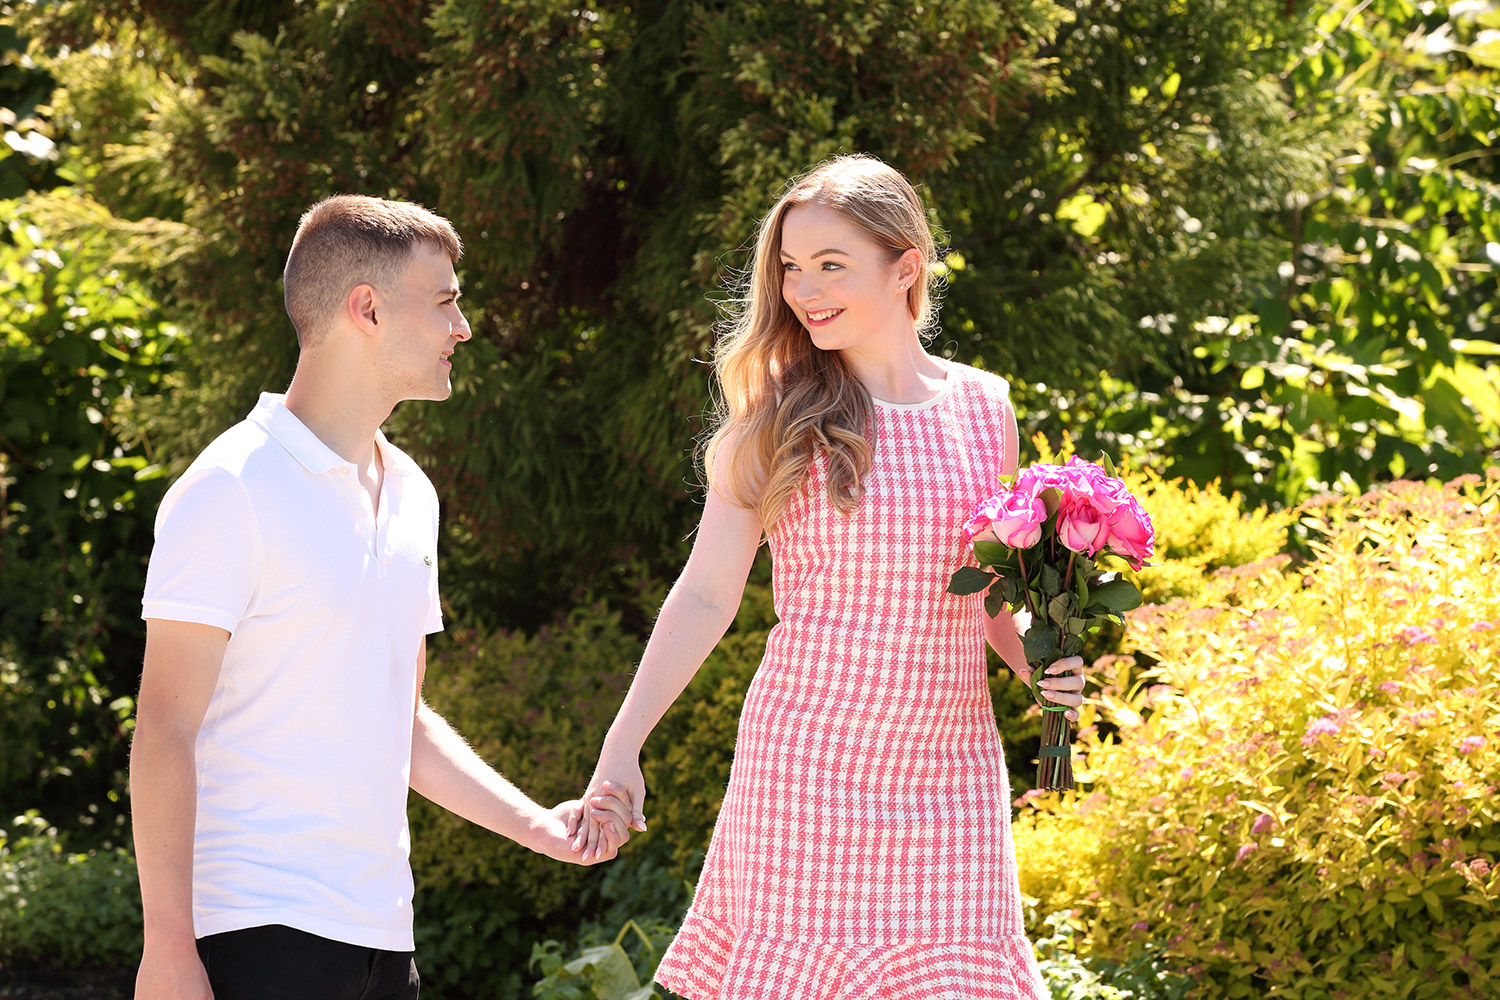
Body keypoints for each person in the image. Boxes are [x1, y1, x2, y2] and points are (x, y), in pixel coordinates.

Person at [575, 155, 1087, 998]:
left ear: (906, 267)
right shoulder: (775, 417)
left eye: (830, 265)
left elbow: (988, 589)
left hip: (949, 783)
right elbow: (705, 594)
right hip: (807, 778)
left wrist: (1045, 666)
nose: (803, 289)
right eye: (789, 268)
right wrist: (621, 748)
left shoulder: (984, 407)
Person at [131, 195, 633, 1000]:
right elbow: (164, 727)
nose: (462, 328)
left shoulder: (411, 493)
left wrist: (539, 826)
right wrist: (167, 951)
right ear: (365, 308)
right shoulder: (230, 486)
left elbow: (400, 718)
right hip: (252, 932)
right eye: (445, 302)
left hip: (382, 939)